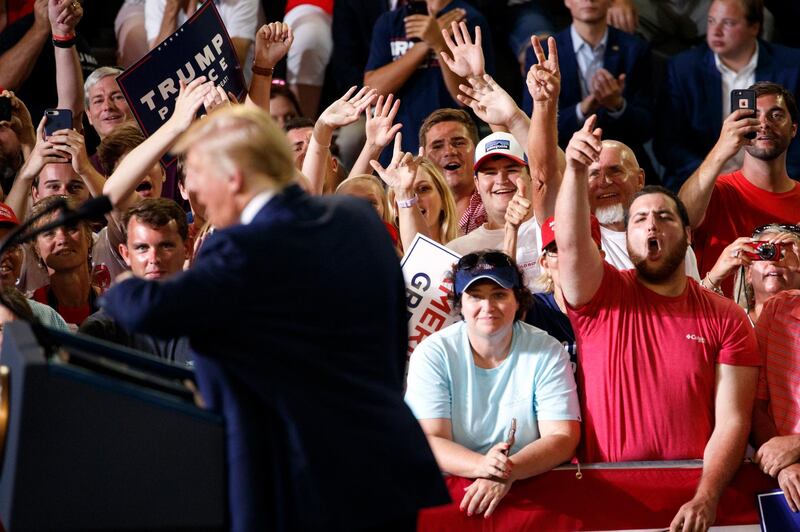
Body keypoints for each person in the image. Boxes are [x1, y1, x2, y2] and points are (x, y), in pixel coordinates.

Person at [100, 104, 449, 531]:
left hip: (302, 487)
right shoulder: (358, 220)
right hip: (384, 468)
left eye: (194, 172)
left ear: (234, 177)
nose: (190, 188)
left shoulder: (242, 249)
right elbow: (395, 341)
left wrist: (120, 290)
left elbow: (149, 310)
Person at [557, 115, 760, 530]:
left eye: (665, 217)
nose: (651, 225)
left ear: (688, 234)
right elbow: (572, 241)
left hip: (695, 498)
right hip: (610, 498)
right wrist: (575, 172)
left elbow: (733, 420)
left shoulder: (728, 317)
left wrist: (707, 495)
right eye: (639, 219)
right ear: (621, 237)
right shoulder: (599, 298)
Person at [405, 250, 580, 518]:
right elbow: (429, 440)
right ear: (459, 304)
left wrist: (507, 469)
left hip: (532, 494)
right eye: (475, 296)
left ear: (518, 300)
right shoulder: (433, 354)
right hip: (452, 497)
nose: (488, 307)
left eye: (499, 295)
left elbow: (563, 437)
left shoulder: (548, 350)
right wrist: (486, 467)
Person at [655, 0, 800, 189]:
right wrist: (711, 174)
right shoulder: (683, 68)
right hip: (707, 182)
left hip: (778, 180)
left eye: (728, 23)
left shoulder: (792, 66)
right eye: (711, 21)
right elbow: (668, 144)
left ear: (754, 27)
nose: (716, 31)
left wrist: (776, 179)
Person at [679, 81, 800, 295]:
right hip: (719, 322)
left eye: (776, 115)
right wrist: (722, 148)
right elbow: (681, 220)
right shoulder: (715, 191)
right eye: (753, 116)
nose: (763, 124)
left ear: (793, 129)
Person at [522, 0, 655, 182]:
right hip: (562, 159)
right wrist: (582, 109)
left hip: (623, 159)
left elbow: (647, 125)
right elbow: (532, 124)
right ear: (566, 1)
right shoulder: (542, 53)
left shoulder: (635, 49)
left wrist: (617, 106)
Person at [364, 0, 493, 157]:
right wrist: (426, 44)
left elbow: (469, 97)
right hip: (399, 145)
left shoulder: (467, 19)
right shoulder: (389, 22)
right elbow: (372, 92)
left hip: (453, 146)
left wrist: (439, 44)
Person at [80, 198, 191, 366]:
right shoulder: (100, 331)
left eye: (166, 246)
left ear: (187, 248)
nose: (154, 259)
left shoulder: (215, 325)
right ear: (125, 254)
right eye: (142, 248)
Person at [445, 131, 540, 291]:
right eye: (490, 172)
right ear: (476, 183)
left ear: (530, 176)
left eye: (511, 169)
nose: (501, 179)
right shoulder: (457, 251)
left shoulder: (550, 229)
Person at [751, 288, 800, 512]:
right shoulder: (778, 308)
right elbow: (755, 404)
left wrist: (796, 446)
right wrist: (783, 464)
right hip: (784, 482)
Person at [372, 134, 459, 252]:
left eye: (423, 189)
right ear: (395, 209)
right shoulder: (385, 260)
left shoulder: (465, 250)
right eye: (409, 193)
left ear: (443, 199)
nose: (415, 198)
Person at [701, 223, 800, 324]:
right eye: (765, 253)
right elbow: (692, 323)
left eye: (782, 255)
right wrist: (714, 278)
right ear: (749, 273)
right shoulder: (729, 320)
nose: (772, 262)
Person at [29, 195, 100, 328]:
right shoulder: (26, 312)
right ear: (37, 248)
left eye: (71, 228)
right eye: (49, 233)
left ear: (88, 237)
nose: (62, 239)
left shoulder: (115, 305)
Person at [419, 108, 486, 234]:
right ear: (423, 158)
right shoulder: (414, 209)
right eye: (437, 146)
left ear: (476, 150)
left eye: (459, 143)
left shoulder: (496, 200)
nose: (449, 151)